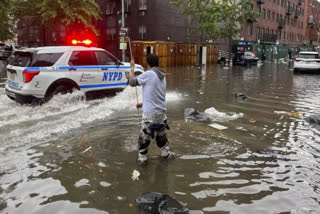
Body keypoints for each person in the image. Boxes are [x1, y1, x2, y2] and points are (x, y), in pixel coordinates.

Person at [129, 54, 171, 163]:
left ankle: (143, 166)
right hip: (162, 116)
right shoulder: (162, 75)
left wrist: (132, 67)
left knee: (143, 142)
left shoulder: (148, 74)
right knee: (162, 141)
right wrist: (143, 104)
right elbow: (156, 96)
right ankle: (166, 157)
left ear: (147, 63)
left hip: (149, 116)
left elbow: (132, 82)